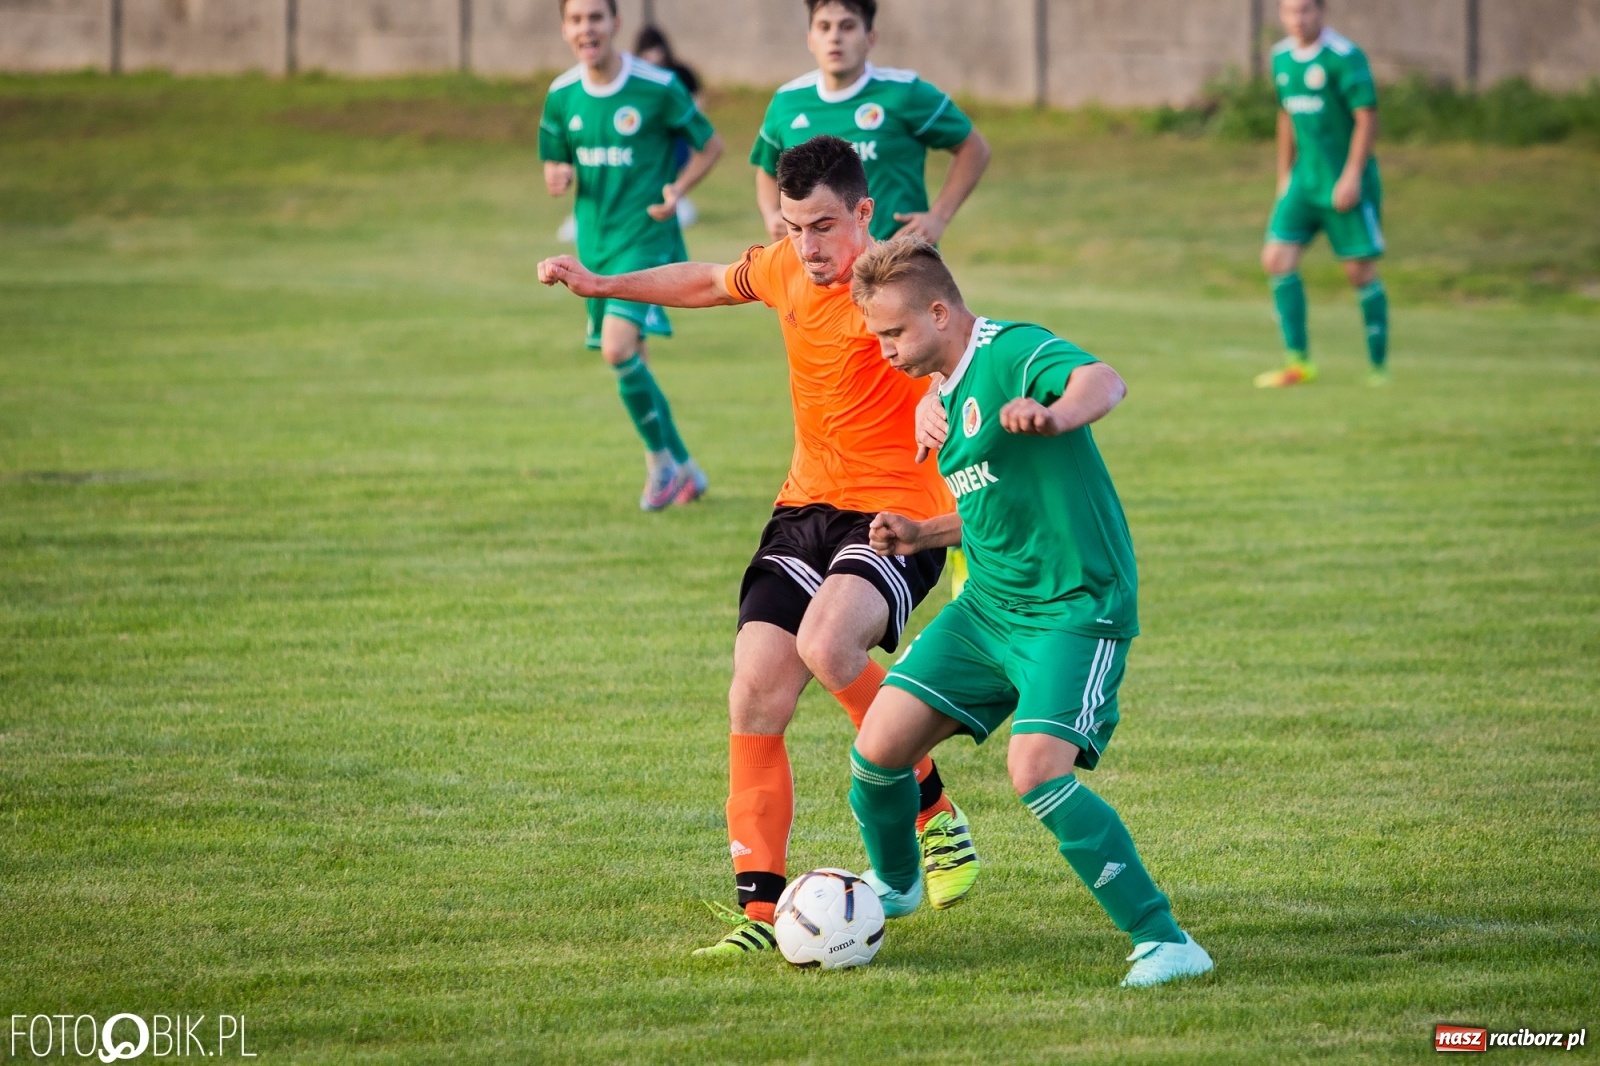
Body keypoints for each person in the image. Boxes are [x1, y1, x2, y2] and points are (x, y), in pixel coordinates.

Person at [538, 136, 981, 957]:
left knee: (827, 643)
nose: (806, 247)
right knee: (754, 697)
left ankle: (931, 810)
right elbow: (707, 279)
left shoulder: (898, 285)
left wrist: (942, 406)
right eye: (792, 227)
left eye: (821, 227)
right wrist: (603, 285)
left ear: (863, 213)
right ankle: (763, 915)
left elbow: (967, 354)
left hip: (897, 513)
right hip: (804, 506)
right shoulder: (785, 267)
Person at [846, 236, 1215, 988]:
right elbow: (990, 509)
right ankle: (896, 886)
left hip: (1073, 608)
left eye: (893, 333)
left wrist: (1060, 416)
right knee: (877, 749)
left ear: (941, 312)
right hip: (988, 607)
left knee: (1035, 770)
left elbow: (1102, 379)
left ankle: (1166, 941)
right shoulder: (940, 395)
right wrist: (923, 532)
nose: (883, 350)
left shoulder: (1014, 351)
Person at [539, 0, 725, 509]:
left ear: (615, 24)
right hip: (595, 247)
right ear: (564, 29)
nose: (586, 28)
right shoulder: (560, 96)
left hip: (646, 242)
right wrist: (556, 174)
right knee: (632, 360)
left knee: (618, 348)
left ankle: (663, 468)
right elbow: (555, 160)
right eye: (576, 19)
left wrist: (678, 189)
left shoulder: (658, 87)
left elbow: (710, 145)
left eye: (595, 17)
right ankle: (681, 467)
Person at [751, 0, 991, 246]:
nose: (834, 37)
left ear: (870, 37)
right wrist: (772, 214)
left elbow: (974, 148)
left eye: (847, 26)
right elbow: (768, 169)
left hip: (897, 259)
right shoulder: (787, 102)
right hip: (818, 267)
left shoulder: (904, 93)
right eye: (824, 27)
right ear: (810, 39)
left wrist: (939, 217)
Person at [1255, 0, 1389, 388]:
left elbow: (1367, 118)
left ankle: (1378, 367)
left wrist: (1351, 176)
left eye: (1306, 11)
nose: (1298, 19)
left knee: (1358, 271)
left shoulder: (1344, 57)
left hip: (1343, 179)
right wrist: (1284, 175)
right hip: (1303, 181)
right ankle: (1298, 363)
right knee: (1276, 258)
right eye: (1290, 12)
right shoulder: (1280, 58)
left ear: (1321, 12)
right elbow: (1286, 116)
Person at [635, 24, 704, 228]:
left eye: (655, 49)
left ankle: (675, 197)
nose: (652, 55)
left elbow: (697, 106)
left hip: (678, 138)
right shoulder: (637, 79)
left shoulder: (678, 75)